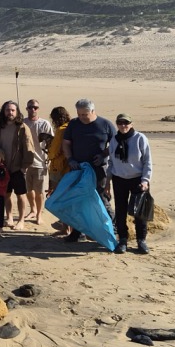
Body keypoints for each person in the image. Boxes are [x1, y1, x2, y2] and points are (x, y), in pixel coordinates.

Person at [62, 98, 117, 243]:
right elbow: (66, 143)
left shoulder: (105, 125)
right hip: (78, 169)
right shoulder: (73, 124)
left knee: (101, 199)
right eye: (79, 114)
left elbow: (115, 144)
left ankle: (114, 230)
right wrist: (70, 159)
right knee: (78, 200)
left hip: (98, 170)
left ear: (93, 111)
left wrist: (103, 155)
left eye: (85, 115)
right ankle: (78, 233)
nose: (82, 118)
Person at [106, 113, 153, 254]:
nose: (123, 126)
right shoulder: (114, 140)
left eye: (126, 123)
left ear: (131, 124)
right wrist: (107, 181)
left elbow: (147, 161)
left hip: (138, 179)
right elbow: (110, 162)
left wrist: (145, 180)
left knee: (140, 212)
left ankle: (141, 240)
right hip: (119, 179)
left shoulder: (139, 138)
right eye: (120, 123)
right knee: (120, 211)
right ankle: (123, 240)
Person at [0, 101, 36, 230]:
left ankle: (21, 220)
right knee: (6, 194)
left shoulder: (22, 127)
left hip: (18, 167)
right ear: (3, 112)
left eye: (12, 110)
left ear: (17, 112)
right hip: (3, 167)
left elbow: (29, 148)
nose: (10, 113)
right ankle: (9, 217)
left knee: (20, 194)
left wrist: (24, 167)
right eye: (7, 110)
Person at [24, 99, 54, 226]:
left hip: (40, 163)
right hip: (25, 163)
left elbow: (51, 143)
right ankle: (32, 209)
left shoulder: (44, 124)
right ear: (27, 109)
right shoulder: (23, 123)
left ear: (38, 109)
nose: (33, 110)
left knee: (39, 191)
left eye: (35, 107)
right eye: (30, 107)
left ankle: (39, 214)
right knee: (27, 189)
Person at [46, 106, 73, 237]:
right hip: (70, 168)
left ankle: (65, 228)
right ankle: (69, 228)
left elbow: (54, 152)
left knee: (60, 198)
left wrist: (49, 150)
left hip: (59, 168)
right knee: (68, 198)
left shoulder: (62, 129)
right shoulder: (73, 126)